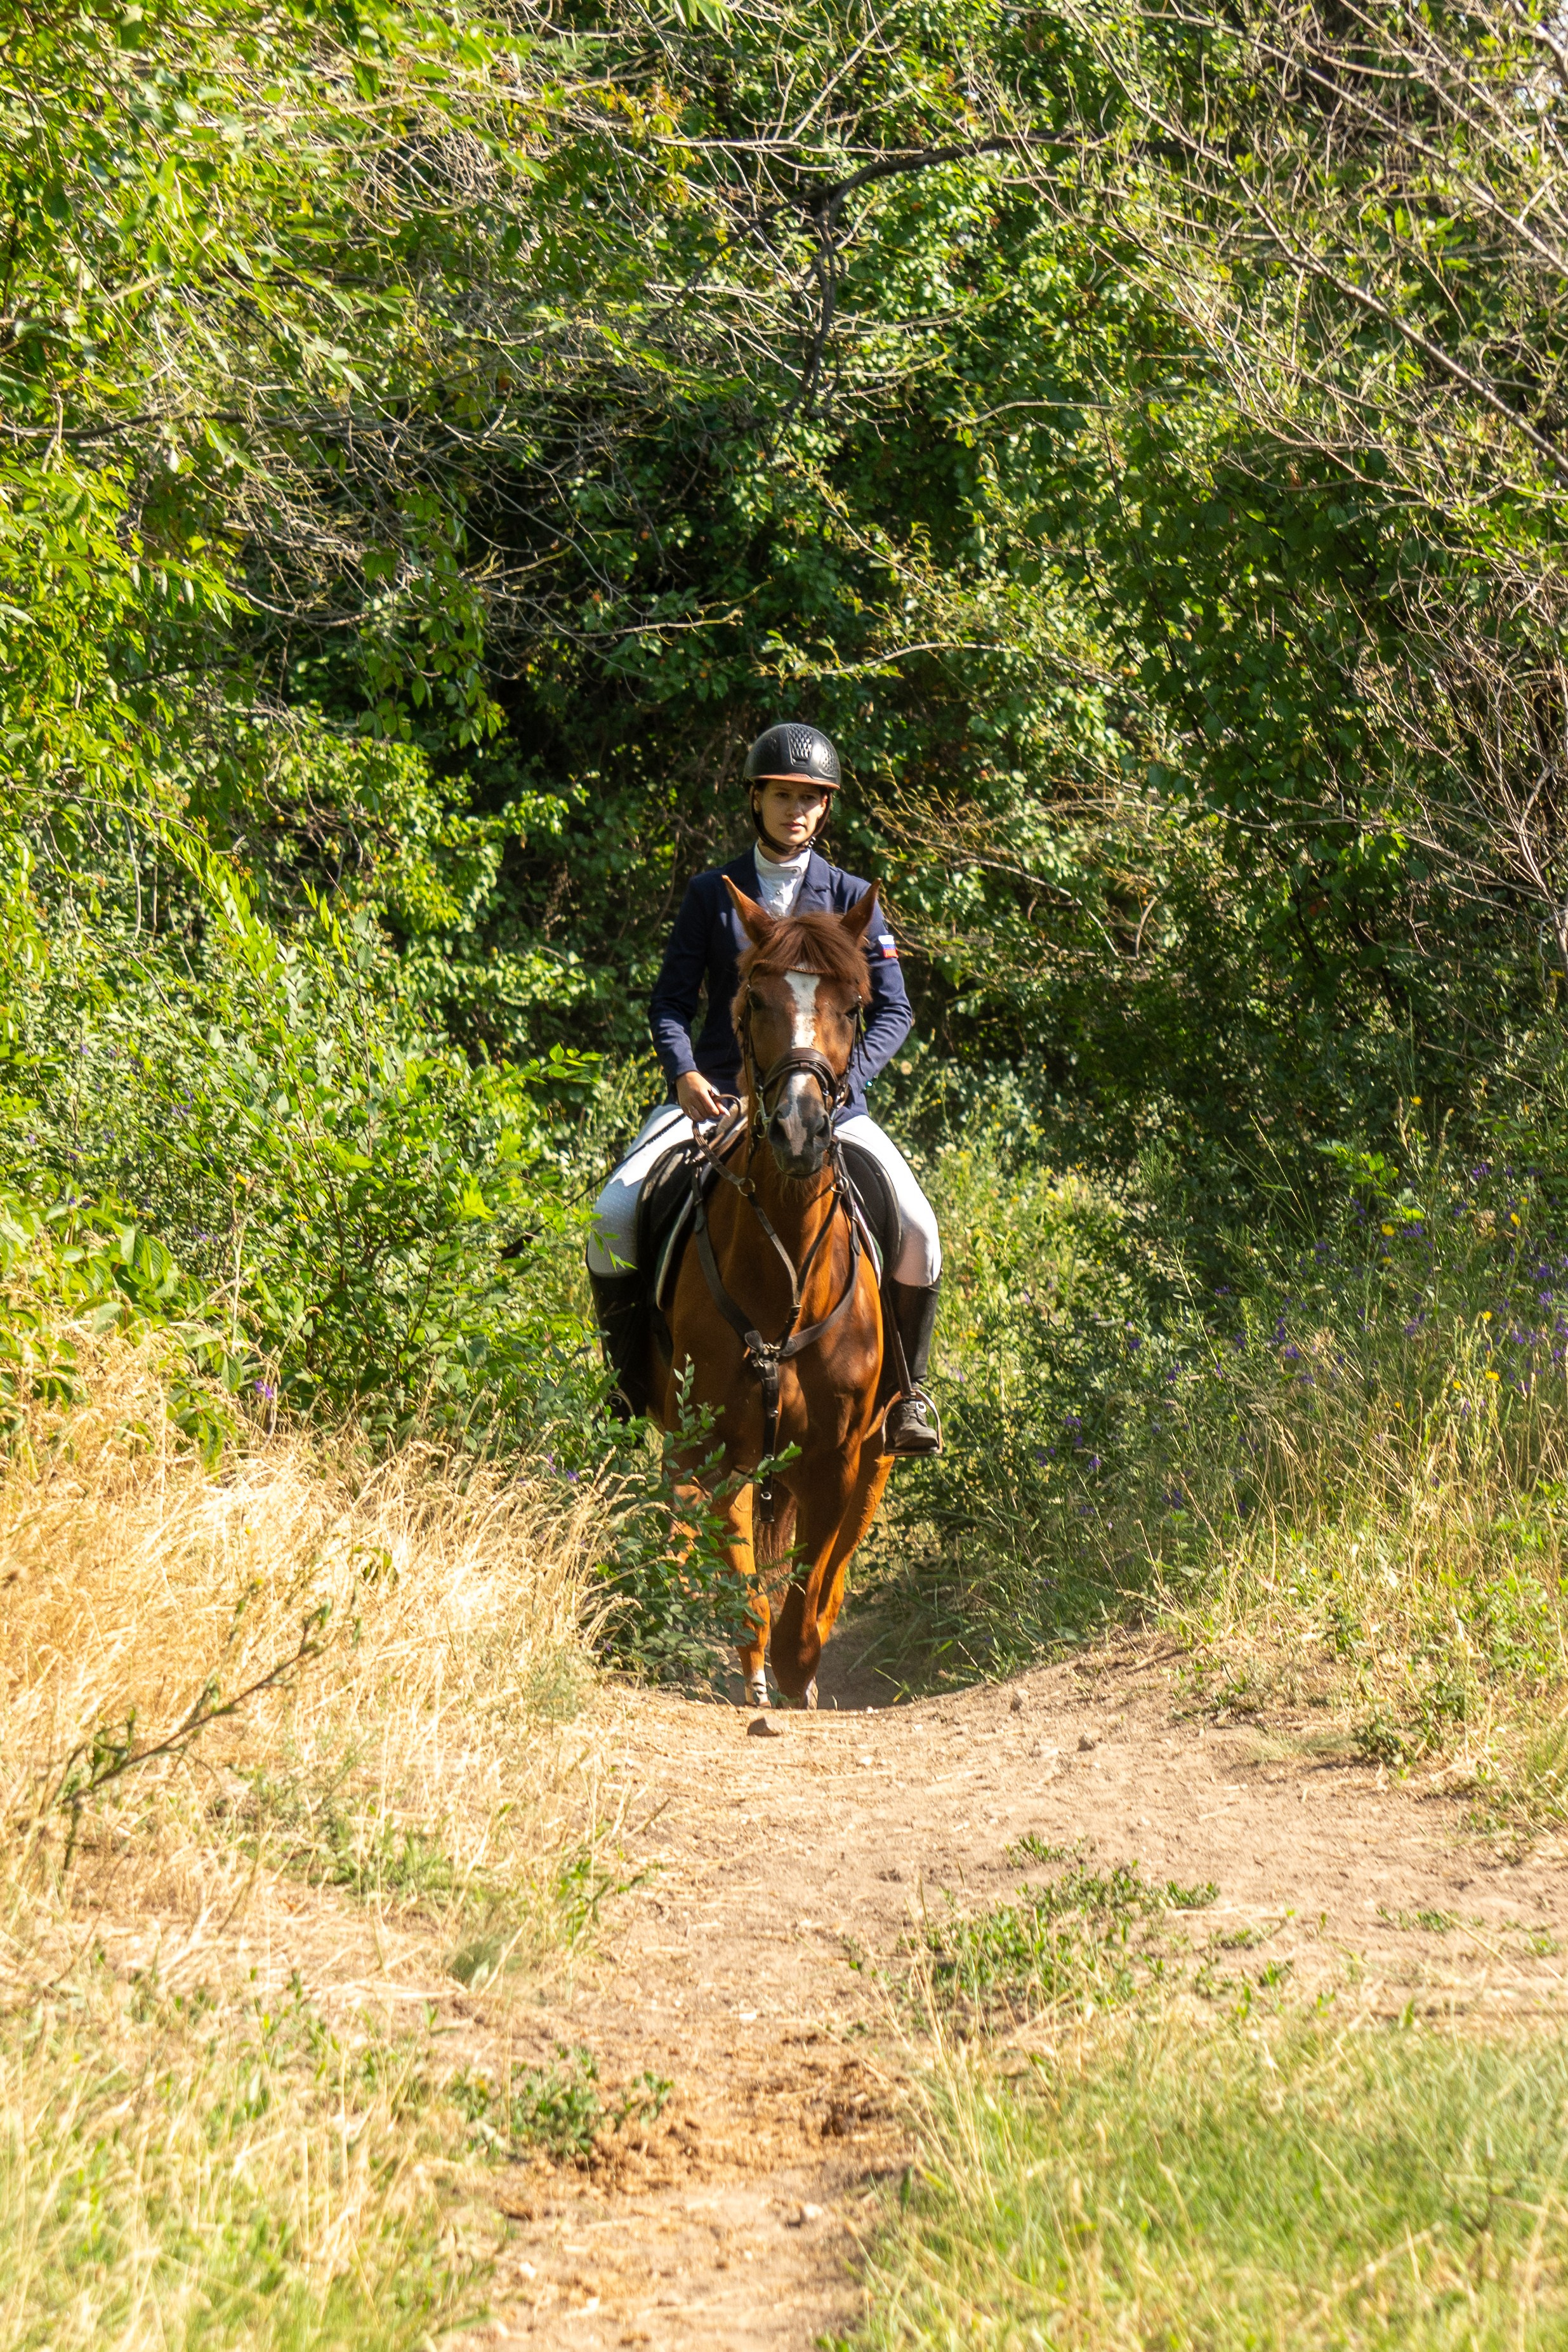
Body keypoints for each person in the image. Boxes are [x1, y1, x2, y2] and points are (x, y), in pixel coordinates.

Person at [586, 720, 942, 1454]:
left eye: (811, 799)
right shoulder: (711, 895)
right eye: (783, 795)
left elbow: (895, 1007)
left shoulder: (851, 898)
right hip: (716, 1095)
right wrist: (683, 1074)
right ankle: (626, 1380)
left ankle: (907, 1396)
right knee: (614, 1211)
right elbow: (668, 1002)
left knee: (919, 1233)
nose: (796, 811)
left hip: (829, 1103)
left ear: (825, 808)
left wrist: (848, 1082)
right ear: (756, 800)